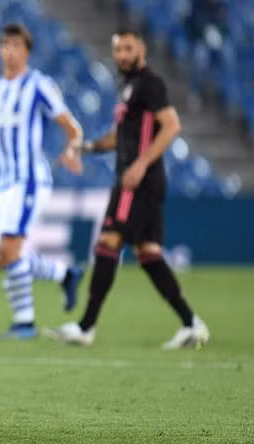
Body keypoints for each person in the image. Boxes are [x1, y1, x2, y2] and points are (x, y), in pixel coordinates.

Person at [46, 29, 209, 348]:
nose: (122, 55)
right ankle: (192, 324)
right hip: (140, 181)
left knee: (108, 243)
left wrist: (141, 164)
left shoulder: (149, 84)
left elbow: (172, 125)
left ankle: (86, 326)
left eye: (128, 48)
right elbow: (119, 137)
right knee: (148, 253)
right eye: (118, 49)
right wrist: (84, 147)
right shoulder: (129, 88)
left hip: (137, 182)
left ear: (141, 49)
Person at [0, 23, 85, 339]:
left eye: (16, 46)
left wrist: (71, 150)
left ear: (26, 51)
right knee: (3, 257)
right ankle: (65, 274)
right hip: (5, 183)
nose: (10, 52)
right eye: (5, 45)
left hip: (30, 180)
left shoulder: (39, 85)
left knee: (10, 250)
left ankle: (25, 323)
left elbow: (72, 127)